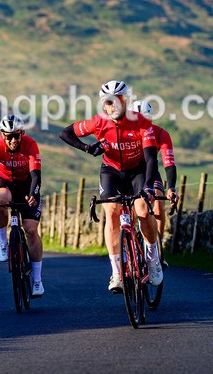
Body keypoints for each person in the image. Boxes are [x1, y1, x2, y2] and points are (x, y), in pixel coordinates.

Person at [59, 80, 163, 293]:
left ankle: (153, 260)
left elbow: (152, 159)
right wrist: (87, 148)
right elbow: (65, 133)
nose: (113, 105)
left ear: (127, 101)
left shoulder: (141, 122)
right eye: (108, 102)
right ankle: (117, 273)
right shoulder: (98, 122)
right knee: (112, 213)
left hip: (138, 170)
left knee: (143, 209)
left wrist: (149, 188)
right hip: (111, 172)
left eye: (118, 99)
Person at [0, 114, 45, 298]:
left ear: (22, 134)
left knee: (31, 230)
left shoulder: (30, 144)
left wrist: (34, 194)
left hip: (27, 185)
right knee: (0, 198)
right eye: (8, 136)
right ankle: (4, 242)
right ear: (2, 135)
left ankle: (37, 281)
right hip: (5, 183)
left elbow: (36, 175)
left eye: (16, 135)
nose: (12, 140)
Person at [133, 100, 179, 255]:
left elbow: (169, 162)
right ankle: (130, 246)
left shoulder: (161, 134)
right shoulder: (126, 133)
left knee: (158, 205)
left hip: (149, 171)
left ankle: (157, 252)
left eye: (147, 118)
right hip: (129, 172)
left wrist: (171, 188)